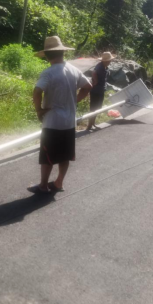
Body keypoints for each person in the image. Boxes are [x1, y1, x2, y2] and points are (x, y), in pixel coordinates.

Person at [28, 36, 92, 194]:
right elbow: (88, 86)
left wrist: (39, 110)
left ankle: (43, 186)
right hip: (69, 122)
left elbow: (37, 91)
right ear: (62, 52)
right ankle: (59, 183)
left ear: (47, 55)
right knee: (65, 155)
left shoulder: (48, 73)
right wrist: (74, 100)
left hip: (52, 122)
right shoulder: (73, 70)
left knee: (47, 156)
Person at [86, 51, 114, 131]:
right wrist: (95, 81)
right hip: (96, 90)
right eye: (109, 60)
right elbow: (94, 72)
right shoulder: (100, 67)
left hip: (100, 90)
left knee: (97, 107)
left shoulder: (104, 67)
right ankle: (89, 125)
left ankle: (93, 123)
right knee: (93, 108)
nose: (110, 62)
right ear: (106, 61)